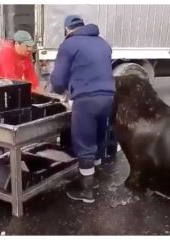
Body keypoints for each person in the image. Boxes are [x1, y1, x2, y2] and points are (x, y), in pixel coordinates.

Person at [50, 15, 115, 203]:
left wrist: (60, 93)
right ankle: (95, 179)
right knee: (98, 136)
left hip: (86, 99)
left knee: (84, 141)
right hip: (108, 97)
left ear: (67, 29)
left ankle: (86, 191)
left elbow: (58, 79)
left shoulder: (69, 44)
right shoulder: (103, 43)